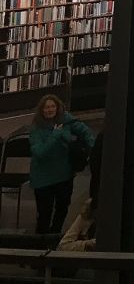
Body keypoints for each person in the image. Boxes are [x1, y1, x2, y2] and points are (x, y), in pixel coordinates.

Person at [28, 94, 95, 236]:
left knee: (62, 208)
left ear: (58, 108)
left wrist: (94, 149)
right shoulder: (36, 128)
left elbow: (85, 131)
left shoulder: (66, 120)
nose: (50, 109)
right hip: (43, 179)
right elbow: (39, 153)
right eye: (46, 107)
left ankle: (55, 235)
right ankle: (41, 241)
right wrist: (56, 135)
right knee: (44, 214)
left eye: (53, 106)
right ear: (41, 110)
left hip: (64, 175)